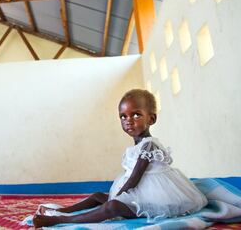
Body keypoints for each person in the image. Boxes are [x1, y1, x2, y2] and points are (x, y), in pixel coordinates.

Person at [33, 89, 207, 228]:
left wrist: (117, 198)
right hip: (139, 192)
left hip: (156, 198)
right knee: (98, 196)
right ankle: (64, 211)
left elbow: (133, 179)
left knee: (112, 206)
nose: (128, 120)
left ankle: (61, 221)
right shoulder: (137, 146)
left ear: (151, 118)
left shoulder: (149, 145)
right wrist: (114, 195)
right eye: (123, 116)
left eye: (136, 115)